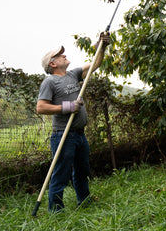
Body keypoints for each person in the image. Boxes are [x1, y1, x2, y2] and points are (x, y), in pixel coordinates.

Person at [37, 32, 110, 213]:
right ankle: (56, 210)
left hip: (79, 135)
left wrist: (102, 46)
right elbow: (41, 107)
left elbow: (95, 64)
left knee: (82, 171)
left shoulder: (73, 74)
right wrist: (67, 107)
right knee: (61, 174)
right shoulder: (50, 82)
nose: (64, 55)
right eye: (59, 55)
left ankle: (84, 202)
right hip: (63, 135)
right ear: (52, 64)